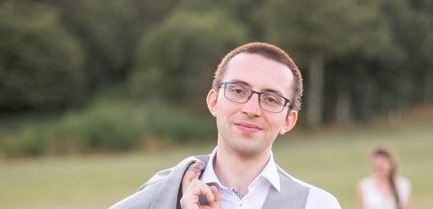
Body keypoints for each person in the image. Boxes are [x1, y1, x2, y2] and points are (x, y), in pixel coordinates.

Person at [109, 42, 342, 209]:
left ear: (288, 121)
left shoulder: (318, 204)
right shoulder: (158, 196)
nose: (251, 109)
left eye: (271, 99)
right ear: (213, 101)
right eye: (238, 91)